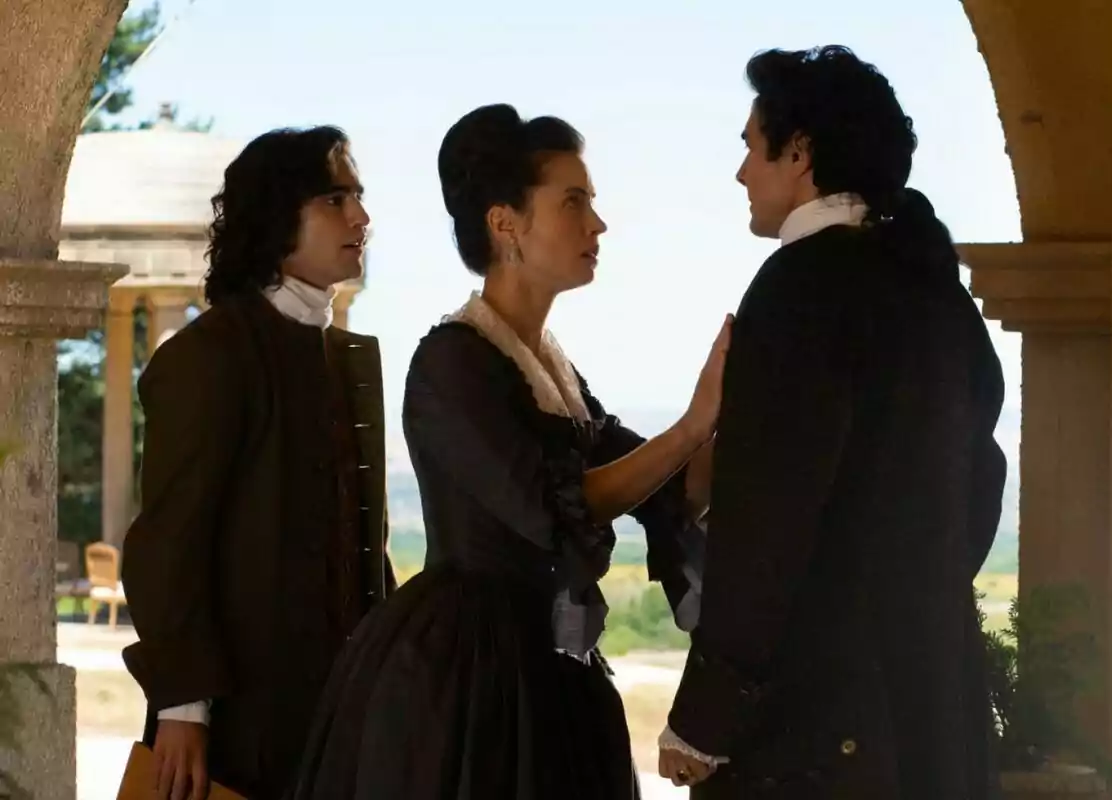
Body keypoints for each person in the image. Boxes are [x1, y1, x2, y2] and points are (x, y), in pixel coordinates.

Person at [289, 103, 728, 800]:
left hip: (551, 660)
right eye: (575, 202)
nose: (597, 224)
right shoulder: (453, 361)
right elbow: (553, 506)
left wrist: (733, 413)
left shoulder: (551, 367)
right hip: (462, 672)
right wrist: (690, 424)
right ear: (505, 224)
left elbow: (667, 486)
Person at [657, 46, 1006, 799]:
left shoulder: (800, 288)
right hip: (929, 701)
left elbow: (766, 525)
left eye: (751, 148)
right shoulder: (933, 291)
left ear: (801, 151)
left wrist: (705, 717)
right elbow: (982, 482)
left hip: (822, 728)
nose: (741, 174)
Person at [121, 125, 395, 800]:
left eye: (358, 197)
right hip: (236, 721)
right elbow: (168, 544)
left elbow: (362, 541)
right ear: (277, 217)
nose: (361, 216)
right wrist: (183, 710)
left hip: (341, 714)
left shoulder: (344, 358)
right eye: (336, 199)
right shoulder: (208, 355)